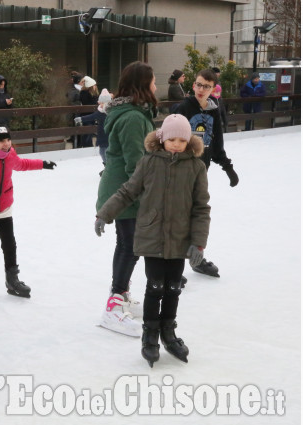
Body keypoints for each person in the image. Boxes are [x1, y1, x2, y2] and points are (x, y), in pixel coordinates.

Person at [95, 114, 210, 367]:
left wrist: (198, 242)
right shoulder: (148, 163)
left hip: (180, 239)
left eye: (182, 140)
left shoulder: (195, 167)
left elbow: (201, 208)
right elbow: (128, 192)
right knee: (155, 286)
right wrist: (105, 213)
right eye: (172, 139)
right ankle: (150, 334)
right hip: (152, 236)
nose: (177, 144)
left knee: (173, 288)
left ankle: (168, 331)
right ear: (162, 138)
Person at [96, 61, 158, 337]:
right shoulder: (133, 117)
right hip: (125, 190)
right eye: (154, 81)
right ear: (143, 85)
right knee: (129, 245)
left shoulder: (133, 112)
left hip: (121, 186)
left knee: (128, 244)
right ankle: (114, 305)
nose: (156, 86)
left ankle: (121, 294)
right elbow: (137, 163)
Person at [0, 121, 56, 299]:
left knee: (9, 244)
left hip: (4, 206)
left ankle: (12, 279)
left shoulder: (9, 154)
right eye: (1, 141)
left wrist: (42, 164)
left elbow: (21, 164)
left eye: (8, 139)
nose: (6, 143)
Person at [176, 68, 238, 278]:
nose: (202, 89)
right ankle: (173, 265)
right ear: (194, 85)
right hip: (179, 172)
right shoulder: (183, 108)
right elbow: (168, 142)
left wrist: (227, 167)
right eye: (199, 84)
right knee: (179, 218)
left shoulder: (214, 109)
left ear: (213, 89)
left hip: (201, 172)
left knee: (199, 217)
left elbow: (216, 143)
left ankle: (197, 259)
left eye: (207, 86)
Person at [74, 88, 112, 172]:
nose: (99, 103)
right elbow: (91, 117)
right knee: (102, 152)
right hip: (102, 136)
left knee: (109, 153)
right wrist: (81, 119)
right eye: (100, 102)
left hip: (111, 136)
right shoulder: (100, 112)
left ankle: (110, 169)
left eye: (102, 102)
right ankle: (107, 167)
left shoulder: (112, 112)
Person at [78, 76, 100, 148]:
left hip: (92, 115)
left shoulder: (94, 93)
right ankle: (87, 146)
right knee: (87, 132)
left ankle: (88, 146)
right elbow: (87, 102)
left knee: (89, 132)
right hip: (87, 114)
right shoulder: (84, 93)